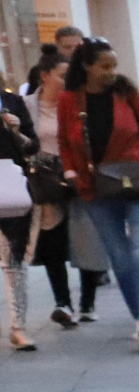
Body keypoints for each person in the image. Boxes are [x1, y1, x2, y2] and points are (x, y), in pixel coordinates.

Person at [58, 37, 139, 351]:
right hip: (96, 189)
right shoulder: (70, 100)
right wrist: (71, 173)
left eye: (113, 65)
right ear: (87, 66)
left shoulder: (126, 92)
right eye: (104, 66)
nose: (111, 72)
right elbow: (66, 142)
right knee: (119, 258)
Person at [26, 48, 108, 326]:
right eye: (63, 75)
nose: (68, 80)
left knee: (87, 237)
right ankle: (63, 303)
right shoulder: (26, 106)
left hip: (78, 177)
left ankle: (87, 303)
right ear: (44, 76)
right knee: (51, 244)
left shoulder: (78, 104)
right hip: (45, 182)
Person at [0, 85, 34, 350]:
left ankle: (18, 327)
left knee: (13, 257)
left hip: (9, 184)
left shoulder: (12, 101)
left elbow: (33, 147)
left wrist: (17, 132)